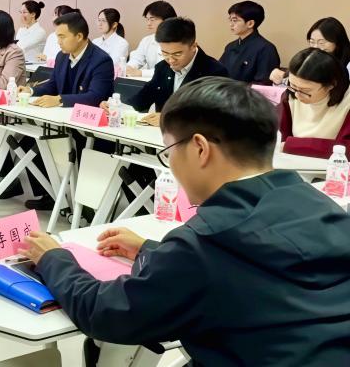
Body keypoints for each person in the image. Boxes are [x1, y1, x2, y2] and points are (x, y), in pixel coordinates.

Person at [20, 77, 350, 367]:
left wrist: (53, 258)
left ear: (200, 149)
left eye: (169, 152)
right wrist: (150, 250)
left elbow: (107, 313)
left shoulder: (204, 242)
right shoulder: (318, 205)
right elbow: (247, 270)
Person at [105, 18, 227, 126]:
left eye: (177, 54)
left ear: (193, 46)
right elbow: (141, 100)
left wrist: (171, 119)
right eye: (165, 53)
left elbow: (216, 116)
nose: (171, 60)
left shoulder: (214, 72)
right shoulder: (162, 68)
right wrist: (116, 106)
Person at [23, 12, 114, 108]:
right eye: (58, 37)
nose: (58, 42)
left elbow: (95, 97)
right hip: (61, 113)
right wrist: (30, 91)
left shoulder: (101, 61)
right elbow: (53, 85)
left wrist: (59, 99)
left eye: (62, 37)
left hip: (83, 115)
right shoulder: (61, 56)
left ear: (79, 37)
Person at [278, 48, 350, 158]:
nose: (297, 95)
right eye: (292, 86)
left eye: (305, 91)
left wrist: (291, 145)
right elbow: (277, 138)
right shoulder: (290, 95)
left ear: (331, 85)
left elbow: (346, 149)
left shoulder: (347, 102)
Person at [270, 17, 350, 84]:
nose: (315, 47)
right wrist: (282, 77)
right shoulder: (308, 58)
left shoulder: (347, 65)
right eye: (312, 42)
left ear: (338, 42)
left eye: (321, 43)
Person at [219, 0, 280, 84]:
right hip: (224, 90)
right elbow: (219, 72)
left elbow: (263, 83)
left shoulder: (266, 48)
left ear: (250, 23)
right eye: (230, 20)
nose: (231, 24)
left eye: (235, 20)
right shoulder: (230, 46)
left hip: (245, 92)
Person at [126, 1, 177, 77]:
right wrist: (129, 68)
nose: (148, 23)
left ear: (166, 20)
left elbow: (168, 70)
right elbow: (137, 59)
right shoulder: (147, 40)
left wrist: (141, 73)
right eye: (147, 19)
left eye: (152, 20)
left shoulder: (177, 41)